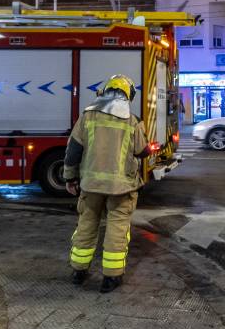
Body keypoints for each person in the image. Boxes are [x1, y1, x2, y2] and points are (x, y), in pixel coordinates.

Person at [63, 74, 156, 293]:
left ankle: (78, 271)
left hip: (91, 185)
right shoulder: (132, 120)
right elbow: (141, 151)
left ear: (104, 92)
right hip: (121, 188)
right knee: (117, 229)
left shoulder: (87, 117)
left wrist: (70, 178)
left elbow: (73, 151)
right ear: (127, 95)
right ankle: (111, 278)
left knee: (86, 224)